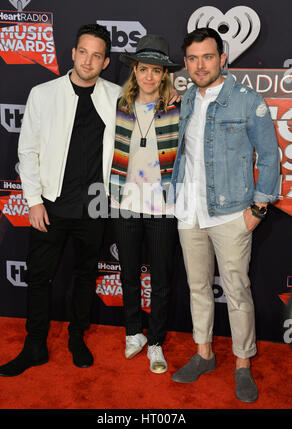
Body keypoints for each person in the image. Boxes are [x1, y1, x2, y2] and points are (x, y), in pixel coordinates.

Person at [0, 24, 121, 377]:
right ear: (72, 53)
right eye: (83, 52)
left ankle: (76, 337)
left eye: (97, 55)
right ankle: (34, 345)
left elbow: (149, 111)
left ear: (106, 61)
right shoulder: (43, 94)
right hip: (50, 204)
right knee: (39, 277)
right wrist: (33, 201)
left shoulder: (116, 95)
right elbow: (28, 149)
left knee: (85, 276)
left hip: (95, 204)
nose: (88, 60)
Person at [169, 28, 280, 401]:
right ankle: (204, 354)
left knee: (237, 291)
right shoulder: (185, 98)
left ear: (223, 58)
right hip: (190, 211)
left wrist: (259, 209)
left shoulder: (247, 100)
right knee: (198, 288)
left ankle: (242, 363)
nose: (201, 65)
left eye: (208, 56)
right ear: (186, 63)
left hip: (232, 213)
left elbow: (269, 157)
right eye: (193, 59)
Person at [109, 35, 181, 373]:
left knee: (162, 279)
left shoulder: (179, 106)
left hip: (164, 206)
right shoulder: (118, 105)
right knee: (129, 275)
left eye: (156, 70)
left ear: (164, 74)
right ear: (134, 71)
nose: (149, 76)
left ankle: (155, 343)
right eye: (143, 69)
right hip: (125, 201)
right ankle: (133, 333)